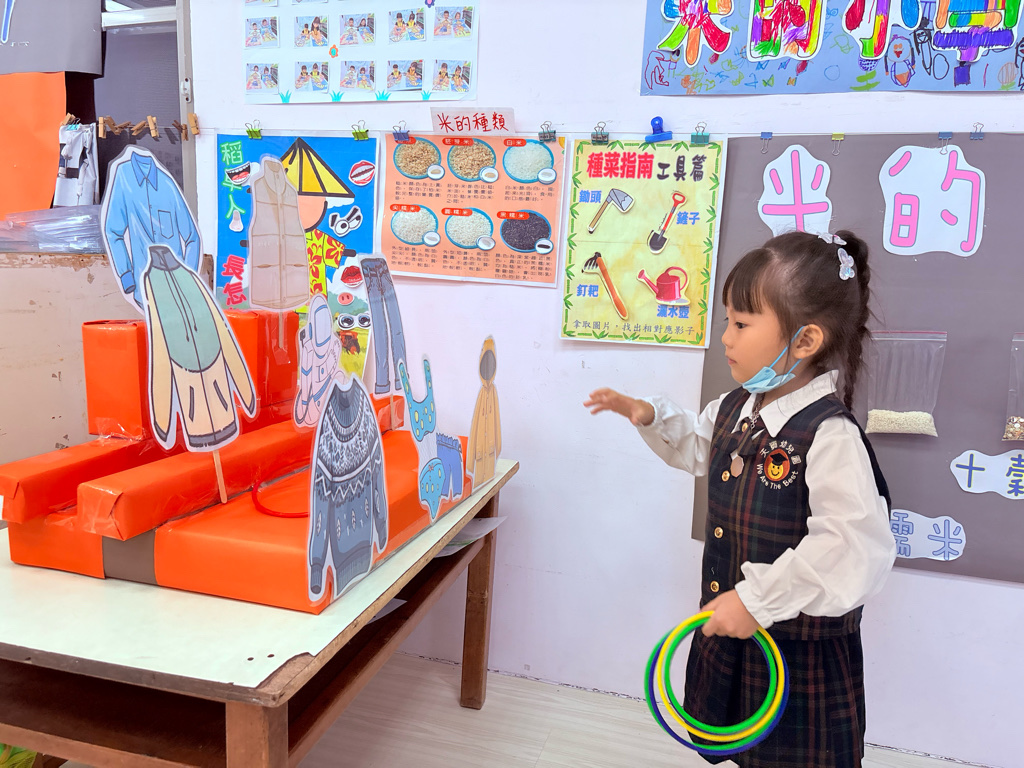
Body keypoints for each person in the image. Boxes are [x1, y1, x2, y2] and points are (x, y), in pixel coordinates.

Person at [584, 230, 896, 768]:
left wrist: (758, 600)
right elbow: (703, 447)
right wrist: (648, 414)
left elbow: (851, 548)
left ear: (805, 340)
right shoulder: (735, 407)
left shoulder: (830, 435)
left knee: (789, 758)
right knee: (741, 746)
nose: (726, 337)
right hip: (736, 633)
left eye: (742, 324)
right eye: (727, 321)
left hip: (797, 655)